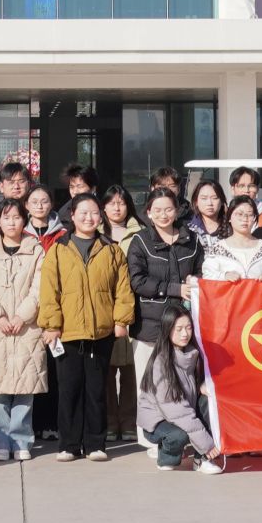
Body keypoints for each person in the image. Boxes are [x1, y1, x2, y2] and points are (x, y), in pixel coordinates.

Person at [38, 194, 135, 462]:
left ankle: (95, 444)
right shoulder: (58, 249)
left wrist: (121, 321)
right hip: (67, 333)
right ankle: (68, 444)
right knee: (69, 390)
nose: (89, 218)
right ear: (72, 215)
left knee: (96, 390)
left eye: (94, 213)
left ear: (100, 216)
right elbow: (49, 291)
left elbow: (123, 289)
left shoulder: (111, 249)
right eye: (83, 212)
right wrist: (51, 324)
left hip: (100, 332)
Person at [124, 185, 201, 450]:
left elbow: (201, 271)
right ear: (148, 212)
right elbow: (137, 281)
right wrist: (175, 289)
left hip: (182, 327)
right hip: (150, 326)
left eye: (168, 209)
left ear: (177, 210)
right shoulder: (140, 241)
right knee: (148, 386)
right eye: (157, 210)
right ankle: (151, 438)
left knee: (181, 385)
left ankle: (181, 437)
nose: (163, 214)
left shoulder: (191, 240)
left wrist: (195, 281)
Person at [0, 201, 47, 461]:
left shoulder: (35, 249)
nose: (11, 222)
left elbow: (40, 288)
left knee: (24, 389)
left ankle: (21, 440)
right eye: (6, 218)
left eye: (16, 217)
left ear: (24, 220)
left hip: (26, 328)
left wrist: (22, 316)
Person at [137, 303, 223, 474]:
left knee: (208, 400)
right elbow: (177, 410)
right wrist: (207, 444)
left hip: (181, 412)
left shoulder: (193, 354)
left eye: (188, 328)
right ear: (168, 330)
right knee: (178, 436)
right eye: (179, 329)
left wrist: (201, 386)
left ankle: (201, 460)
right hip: (159, 420)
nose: (185, 334)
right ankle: (166, 454)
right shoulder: (161, 363)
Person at [98, 184, 143, 441]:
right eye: (112, 202)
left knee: (130, 370)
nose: (117, 207)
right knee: (105, 370)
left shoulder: (141, 233)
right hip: (103, 307)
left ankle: (128, 421)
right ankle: (108, 421)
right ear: (103, 207)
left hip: (133, 308)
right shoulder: (94, 232)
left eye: (122, 202)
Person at [201, 195, 262, 283]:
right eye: (239, 214)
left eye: (250, 215)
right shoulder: (218, 249)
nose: (245, 219)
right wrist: (224, 276)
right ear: (229, 217)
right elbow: (207, 276)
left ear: (255, 218)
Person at [22, 183, 66, 248]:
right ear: (26, 205)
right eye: (34, 202)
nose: (39, 206)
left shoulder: (63, 234)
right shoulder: (20, 233)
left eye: (44, 202)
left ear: (51, 204)